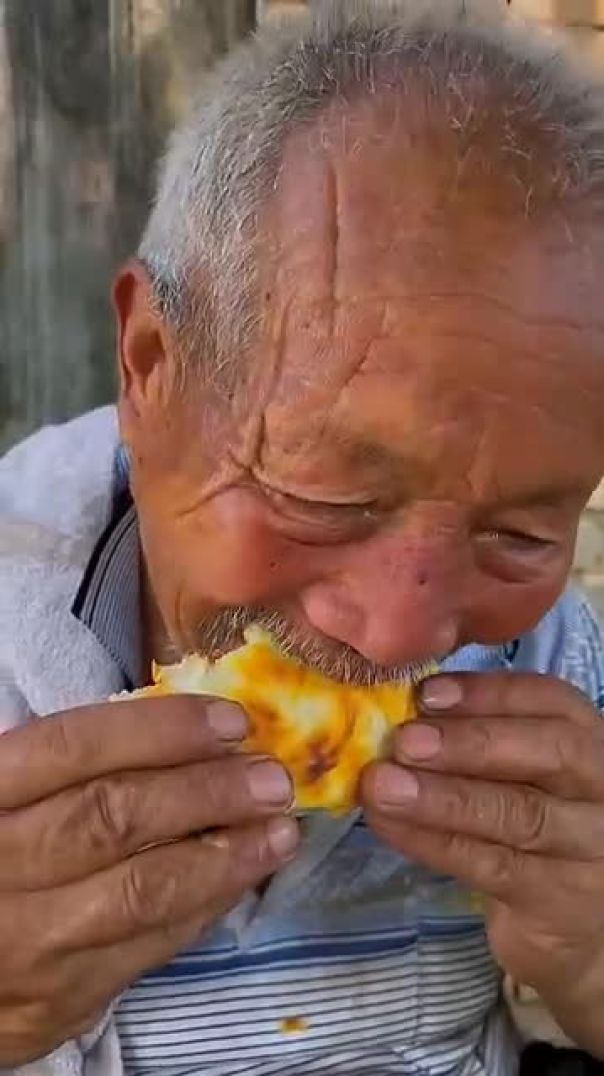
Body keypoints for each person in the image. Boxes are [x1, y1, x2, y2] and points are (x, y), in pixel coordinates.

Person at [1, 2, 603, 1073]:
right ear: (149, 363)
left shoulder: (560, 671)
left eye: (515, 533)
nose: (399, 629)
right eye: (327, 499)